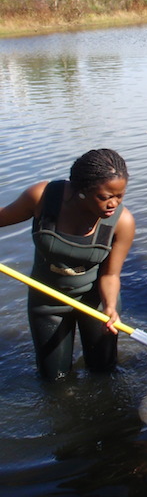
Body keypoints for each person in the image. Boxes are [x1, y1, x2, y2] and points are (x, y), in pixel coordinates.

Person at [0, 149, 135, 381]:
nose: (113, 203)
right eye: (104, 197)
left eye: (120, 196)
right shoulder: (43, 197)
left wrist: (110, 307)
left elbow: (110, 275)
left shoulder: (122, 222)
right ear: (81, 190)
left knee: (104, 373)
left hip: (96, 303)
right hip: (47, 301)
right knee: (54, 379)